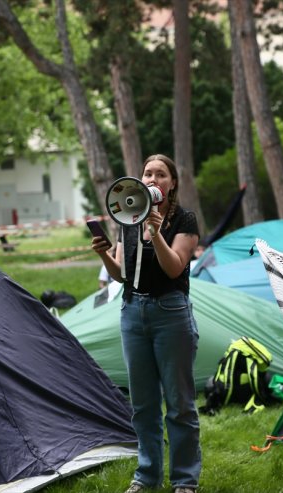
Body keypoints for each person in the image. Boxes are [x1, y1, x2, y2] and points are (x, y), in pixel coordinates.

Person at [92, 154, 201, 493]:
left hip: (170, 313)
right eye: (147, 173)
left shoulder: (185, 220)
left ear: (172, 184)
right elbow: (122, 275)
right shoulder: (129, 217)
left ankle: (184, 479)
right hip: (132, 313)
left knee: (179, 404)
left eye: (160, 174)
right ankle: (147, 475)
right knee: (143, 405)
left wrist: (155, 232)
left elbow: (174, 268)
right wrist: (104, 254)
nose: (152, 178)